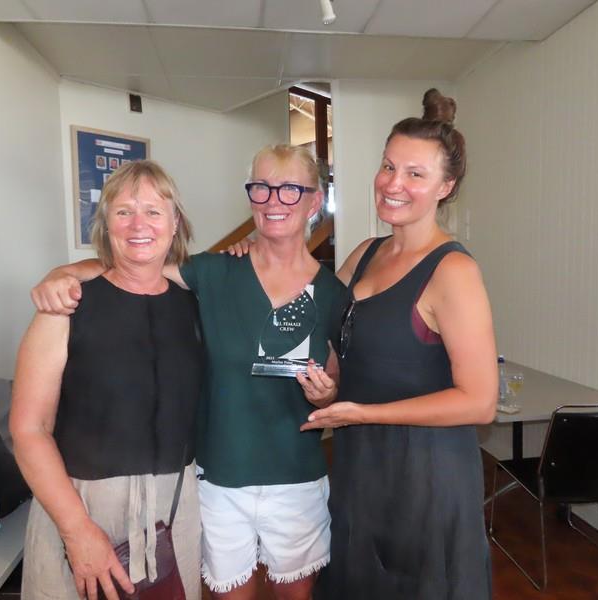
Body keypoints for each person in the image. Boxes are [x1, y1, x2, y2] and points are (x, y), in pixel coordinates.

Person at [30, 145, 346, 600]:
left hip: (296, 476)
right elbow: (135, 266)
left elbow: (335, 385)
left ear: (315, 202)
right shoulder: (215, 272)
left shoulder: (334, 292)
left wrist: (325, 395)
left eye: (291, 189)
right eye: (262, 187)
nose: (274, 199)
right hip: (218, 478)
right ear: (251, 197)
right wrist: (63, 273)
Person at [301, 89, 498, 599]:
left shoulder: (453, 270)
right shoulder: (364, 253)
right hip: (359, 467)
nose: (394, 184)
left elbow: (480, 401)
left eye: (416, 174)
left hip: (424, 479)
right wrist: (328, 392)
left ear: (446, 186)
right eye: (389, 167)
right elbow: (329, 333)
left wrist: (363, 414)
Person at [10, 160, 204, 600]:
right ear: (105, 225)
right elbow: (28, 429)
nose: (139, 224)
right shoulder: (64, 307)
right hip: (81, 506)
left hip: (175, 508)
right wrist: (78, 532)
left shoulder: (195, 307)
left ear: (175, 224)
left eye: (154, 211)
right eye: (124, 211)